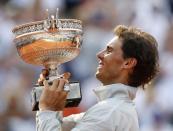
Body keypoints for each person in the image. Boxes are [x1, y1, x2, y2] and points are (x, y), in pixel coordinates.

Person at [36, 25, 159, 131]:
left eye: (109, 50)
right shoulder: (113, 110)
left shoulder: (110, 112)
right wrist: (52, 105)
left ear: (128, 63)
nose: (99, 55)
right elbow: (59, 126)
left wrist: (48, 110)